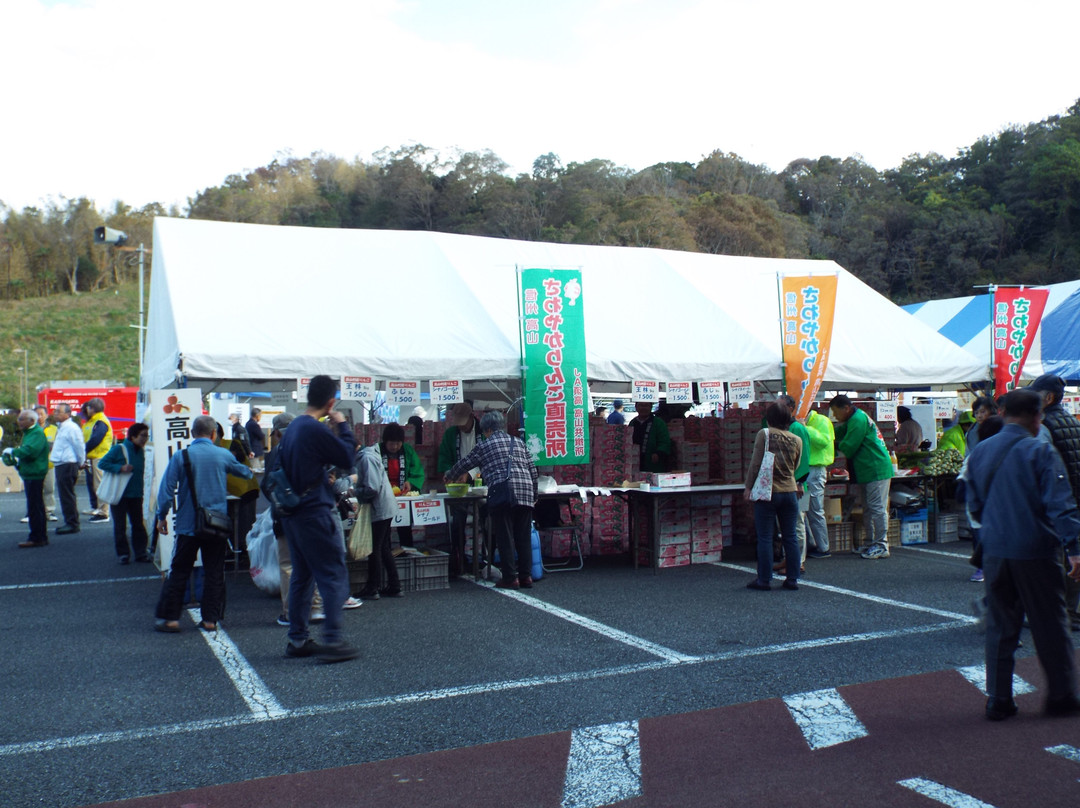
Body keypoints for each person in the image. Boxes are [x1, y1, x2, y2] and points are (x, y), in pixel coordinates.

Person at [965, 388, 1080, 720]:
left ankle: (999, 699)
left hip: (995, 550)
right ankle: (1060, 695)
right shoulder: (1040, 450)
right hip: (1035, 549)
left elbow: (973, 504)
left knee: (1000, 626)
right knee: (1050, 624)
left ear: (1002, 413)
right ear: (1037, 416)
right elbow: (1060, 503)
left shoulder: (981, 451)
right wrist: (1074, 548)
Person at [275, 375, 360, 663]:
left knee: (303, 575)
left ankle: (297, 639)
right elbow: (348, 456)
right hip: (315, 511)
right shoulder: (314, 428)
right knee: (332, 573)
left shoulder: (295, 427)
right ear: (330, 401)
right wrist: (342, 426)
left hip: (294, 512)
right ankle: (333, 641)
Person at [153, 415, 253, 633]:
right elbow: (245, 473)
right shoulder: (222, 454)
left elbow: (166, 490)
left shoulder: (181, 456)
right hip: (216, 524)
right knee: (214, 571)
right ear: (214, 434)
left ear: (191, 433)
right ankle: (210, 620)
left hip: (188, 525)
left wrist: (162, 516)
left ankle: (170, 618)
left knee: (179, 570)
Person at [445, 410, 538, 589]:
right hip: (525, 491)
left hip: (502, 492)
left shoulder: (485, 445)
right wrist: (534, 495)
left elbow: (465, 464)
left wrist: (450, 475)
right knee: (523, 536)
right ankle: (526, 576)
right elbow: (532, 470)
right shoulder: (518, 442)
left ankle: (510, 577)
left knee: (505, 535)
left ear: (487, 430)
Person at [1027, 374, 1080, 633]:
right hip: (1074, 502)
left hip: (1055, 504)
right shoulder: (1072, 421)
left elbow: (1039, 469)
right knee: (1074, 558)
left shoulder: (1044, 426)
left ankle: (1053, 614)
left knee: (1051, 561)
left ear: (1048, 398)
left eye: (1036, 395)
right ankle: (1070, 612)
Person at [263, 412, 326, 628]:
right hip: (311, 514)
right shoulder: (311, 450)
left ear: (278, 433)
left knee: (289, 564)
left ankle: (292, 612)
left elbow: (266, 485)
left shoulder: (274, 454)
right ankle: (316, 608)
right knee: (313, 561)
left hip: (285, 516)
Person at [743, 402, 803, 591]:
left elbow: (756, 463)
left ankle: (764, 579)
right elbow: (797, 465)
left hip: (768, 492)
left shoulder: (765, 434)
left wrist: (748, 487)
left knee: (766, 537)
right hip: (790, 491)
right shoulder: (796, 439)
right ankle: (792, 578)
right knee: (790, 536)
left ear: (769, 419)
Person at [830, 394, 893, 560]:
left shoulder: (857, 419)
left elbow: (849, 447)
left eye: (836, 413)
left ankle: (881, 545)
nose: (835, 416)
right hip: (867, 469)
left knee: (877, 508)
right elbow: (836, 432)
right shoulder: (854, 418)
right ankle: (870, 543)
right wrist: (826, 433)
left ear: (846, 408)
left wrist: (832, 444)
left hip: (876, 468)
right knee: (869, 508)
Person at [439, 402, 483, 577]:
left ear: (472, 416)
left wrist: (470, 474)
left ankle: (486, 558)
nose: (461, 427)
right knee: (457, 520)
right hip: (458, 484)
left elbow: (488, 458)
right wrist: (448, 473)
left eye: (463, 422)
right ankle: (459, 558)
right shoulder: (451, 434)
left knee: (487, 516)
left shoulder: (483, 431)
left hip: (481, 481)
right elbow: (445, 457)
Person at [98, 422, 152, 564]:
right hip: (119, 493)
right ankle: (123, 554)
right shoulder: (119, 449)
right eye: (142, 436)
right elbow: (102, 463)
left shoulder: (142, 451)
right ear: (133, 436)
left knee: (138, 525)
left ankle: (140, 553)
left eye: (147, 436)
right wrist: (120, 467)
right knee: (120, 525)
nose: (145, 439)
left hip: (136, 494)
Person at [354, 445, 403, 599]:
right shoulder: (368, 456)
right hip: (384, 506)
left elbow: (372, 488)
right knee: (383, 547)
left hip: (380, 507)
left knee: (375, 548)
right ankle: (394, 586)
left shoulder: (366, 458)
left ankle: (372, 587)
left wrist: (355, 492)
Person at [3, 409, 50, 548]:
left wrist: (14, 451)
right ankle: (40, 536)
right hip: (32, 471)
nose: (19, 421)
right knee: (37, 506)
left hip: (34, 472)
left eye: (22, 419)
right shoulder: (31, 433)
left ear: (31, 421)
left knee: (34, 507)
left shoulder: (36, 433)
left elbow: (31, 451)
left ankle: (37, 537)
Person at [378, 422, 425, 547]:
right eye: (391, 443)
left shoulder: (407, 450)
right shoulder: (377, 451)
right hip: (383, 498)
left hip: (402, 496)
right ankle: (385, 554)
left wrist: (410, 482)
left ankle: (407, 552)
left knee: (404, 528)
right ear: (385, 441)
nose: (395, 446)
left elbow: (417, 470)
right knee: (383, 531)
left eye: (398, 443)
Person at [804, 403, 835, 558]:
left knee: (815, 509)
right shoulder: (812, 422)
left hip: (816, 469)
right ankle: (810, 544)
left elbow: (823, 442)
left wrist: (805, 428)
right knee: (803, 509)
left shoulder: (821, 421)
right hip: (805, 470)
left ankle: (823, 547)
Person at [49, 402, 85, 535]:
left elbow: (79, 446)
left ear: (68, 414)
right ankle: (70, 521)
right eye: (55, 411)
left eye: (59, 411)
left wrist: (81, 461)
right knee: (65, 495)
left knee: (67, 495)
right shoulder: (62, 427)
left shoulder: (71, 428)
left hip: (67, 464)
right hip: (61, 463)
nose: (56, 413)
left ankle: (72, 523)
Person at [81, 398, 114, 523]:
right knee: (94, 484)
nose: (86, 410)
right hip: (93, 456)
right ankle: (96, 507)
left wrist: (83, 449)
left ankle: (103, 512)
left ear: (92, 409)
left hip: (99, 457)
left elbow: (95, 439)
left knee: (100, 484)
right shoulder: (93, 421)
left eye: (88, 408)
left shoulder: (100, 422)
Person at [629, 401, 671, 473]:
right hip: (634, 461)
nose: (643, 408)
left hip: (652, 462)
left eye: (646, 405)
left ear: (651, 407)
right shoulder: (633, 422)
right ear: (636, 407)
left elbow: (665, 441)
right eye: (641, 405)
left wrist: (659, 453)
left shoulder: (659, 423)